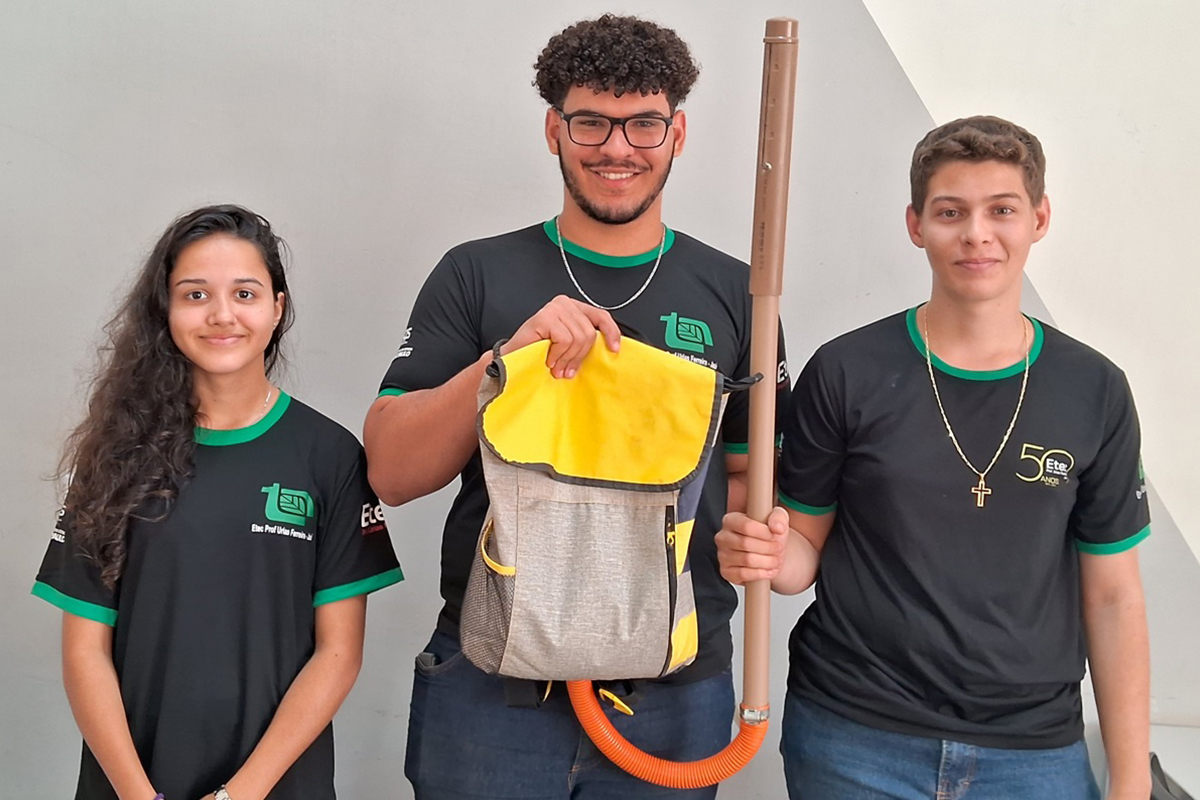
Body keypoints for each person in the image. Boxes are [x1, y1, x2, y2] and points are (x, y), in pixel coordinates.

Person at [364, 14, 788, 799]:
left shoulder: (740, 295)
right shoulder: (475, 274)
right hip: (493, 681)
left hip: (672, 685)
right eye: (591, 122)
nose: (617, 148)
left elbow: (750, 482)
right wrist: (505, 361)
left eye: (643, 124)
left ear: (677, 133)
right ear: (554, 130)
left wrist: (759, 536)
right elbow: (390, 470)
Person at [716, 116, 1151, 799]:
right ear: (916, 225)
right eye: (951, 212)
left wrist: (1130, 780)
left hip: (1033, 752)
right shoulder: (847, 371)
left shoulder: (1093, 389)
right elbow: (803, 553)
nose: (976, 233)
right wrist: (767, 555)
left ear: (1038, 219)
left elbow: (1115, 596)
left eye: (1001, 210)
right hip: (855, 738)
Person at [33, 205, 403, 800]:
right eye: (196, 294)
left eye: (245, 293)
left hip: (276, 786)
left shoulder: (330, 457)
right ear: (165, 308)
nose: (221, 314)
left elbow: (338, 653)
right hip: (130, 783)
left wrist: (240, 794)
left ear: (277, 308)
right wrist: (138, 794)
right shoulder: (115, 455)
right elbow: (84, 650)